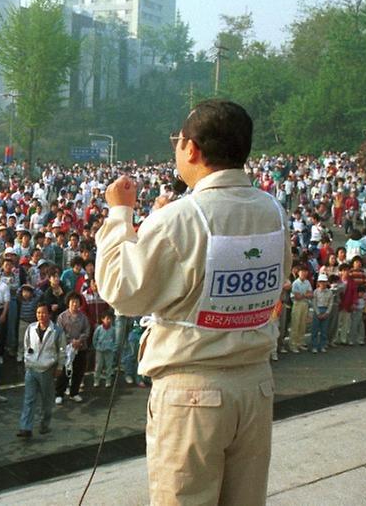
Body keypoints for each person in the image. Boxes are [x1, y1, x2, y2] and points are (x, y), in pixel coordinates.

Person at [96, 100, 289, 504]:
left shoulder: (182, 217)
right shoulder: (274, 211)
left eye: (177, 141)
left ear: (193, 149)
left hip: (193, 394)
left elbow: (121, 290)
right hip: (254, 387)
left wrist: (121, 215)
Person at [17, 303, 66, 438]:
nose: (41, 315)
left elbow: (62, 351)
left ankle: (44, 425)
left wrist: (60, 367)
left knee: (46, 400)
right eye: (38, 313)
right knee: (29, 399)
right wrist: (27, 361)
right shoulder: (31, 328)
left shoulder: (57, 331)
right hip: (31, 369)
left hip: (47, 370)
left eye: (44, 313)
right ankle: (25, 427)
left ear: (49, 314)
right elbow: (26, 345)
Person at [54, 291, 89, 404]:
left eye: (77, 302)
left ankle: (74, 392)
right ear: (68, 303)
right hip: (66, 349)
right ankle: (59, 393)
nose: (75, 304)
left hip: (80, 348)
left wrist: (79, 340)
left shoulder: (83, 317)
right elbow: (59, 332)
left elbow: (87, 330)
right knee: (64, 371)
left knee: (78, 371)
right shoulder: (62, 317)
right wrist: (70, 341)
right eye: (72, 302)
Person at [92, 311, 117, 386]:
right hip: (100, 350)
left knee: (109, 366)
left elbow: (115, 339)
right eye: (107, 319)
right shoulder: (99, 329)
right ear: (102, 319)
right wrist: (96, 346)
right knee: (98, 366)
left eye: (110, 319)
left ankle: (108, 380)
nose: (109, 320)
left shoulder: (113, 329)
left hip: (109, 350)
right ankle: (96, 380)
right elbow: (94, 338)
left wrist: (113, 347)